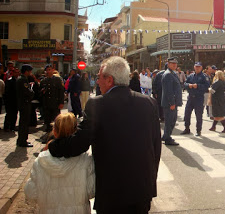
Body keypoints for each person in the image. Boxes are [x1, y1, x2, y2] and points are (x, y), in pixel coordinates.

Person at [48, 56, 161, 213]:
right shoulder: (148, 102)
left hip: (113, 193)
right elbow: (156, 147)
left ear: (109, 80)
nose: (97, 81)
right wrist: (150, 180)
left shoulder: (97, 104)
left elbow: (78, 144)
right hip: (142, 189)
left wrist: (53, 145)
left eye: (99, 77)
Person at [25, 113, 95, 213]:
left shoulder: (41, 161)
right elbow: (91, 191)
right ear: (76, 131)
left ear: (55, 131)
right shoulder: (85, 161)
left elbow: (31, 194)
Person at [182, 62, 210, 136]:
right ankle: (187, 128)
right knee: (187, 114)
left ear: (201, 68)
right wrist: (189, 85)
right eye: (196, 67)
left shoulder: (204, 76)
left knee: (199, 115)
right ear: (194, 67)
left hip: (199, 98)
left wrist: (197, 86)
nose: (197, 68)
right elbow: (185, 84)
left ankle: (198, 130)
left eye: (199, 67)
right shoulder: (191, 76)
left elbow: (207, 86)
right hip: (190, 97)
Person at [161, 57, 182, 146]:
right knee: (170, 121)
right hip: (170, 103)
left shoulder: (172, 73)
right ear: (168, 64)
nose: (174, 65)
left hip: (172, 102)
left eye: (175, 64)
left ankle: (166, 136)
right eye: (172, 63)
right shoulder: (168, 74)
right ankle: (167, 138)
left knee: (171, 120)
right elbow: (168, 91)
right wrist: (172, 103)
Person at [40, 64, 65, 133]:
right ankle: (48, 134)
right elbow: (40, 93)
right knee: (47, 121)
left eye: (49, 70)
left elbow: (61, 92)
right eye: (47, 70)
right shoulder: (43, 81)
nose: (48, 71)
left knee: (56, 120)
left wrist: (61, 102)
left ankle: (56, 134)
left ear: (53, 70)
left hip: (55, 103)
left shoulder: (57, 80)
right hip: (47, 104)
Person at [16, 64, 35, 147]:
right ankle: (23, 141)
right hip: (25, 103)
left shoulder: (20, 79)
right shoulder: (23, 80)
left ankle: (21, 140)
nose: (30, 73)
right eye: (30, 71)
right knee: (24, 123)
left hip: (22, 103)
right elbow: (27, 92)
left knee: (22, 122)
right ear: (26, 71)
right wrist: (32, 91)